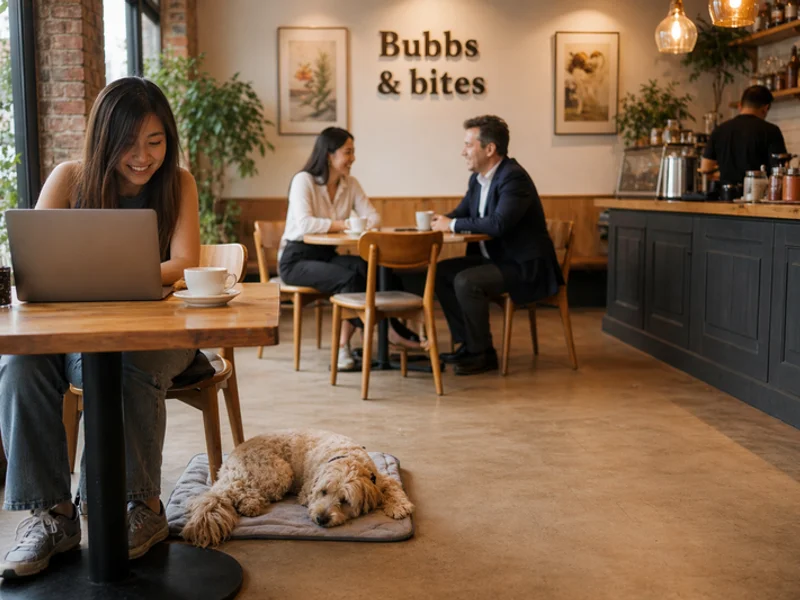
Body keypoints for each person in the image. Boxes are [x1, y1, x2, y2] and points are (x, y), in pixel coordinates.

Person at [0, 77, 200, 578]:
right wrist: (126, 281)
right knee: (19, 365)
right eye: (129, 144)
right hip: (79, 337)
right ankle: (54, 515)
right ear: (104, 139)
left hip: (159, 338)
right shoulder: (70, 179)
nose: (143, 156)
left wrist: (124, 280)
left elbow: (185, 262)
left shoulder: (179, 183)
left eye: (156, 142)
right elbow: (34, 262)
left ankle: (142, 509)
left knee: (128, 363)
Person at [431, 115, 563, 375]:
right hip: (497, 259)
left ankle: (482, 354)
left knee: (466, 281)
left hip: (524, 265)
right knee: (442, 273)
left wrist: (452, 225)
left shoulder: (513, 178)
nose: (463, 152)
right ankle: (468, 344)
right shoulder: (478, 180)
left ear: (489, 149)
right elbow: (460, 213)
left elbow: (498, 224)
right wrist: (437, 221)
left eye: (469, 145)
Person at [278, 127, 417, 370]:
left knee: (371, 267)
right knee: (350, 278)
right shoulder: (304, 181)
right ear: (329, 155)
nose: (352, 158)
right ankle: (345, 347)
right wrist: (346, 224)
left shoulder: (350, 184)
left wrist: (354, 224)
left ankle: (388, 331)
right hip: (296, 260)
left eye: (353, 152)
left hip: (327, 255)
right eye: (348, 152)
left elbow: (374, 218)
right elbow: (304, 224)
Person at [701, 85, 787, 186]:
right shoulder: (771, 130)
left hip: (724, 197)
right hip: (758, 196)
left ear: (740, 106)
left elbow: (706, 168)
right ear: (765, 108)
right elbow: (780, 171)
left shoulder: (719, 130)